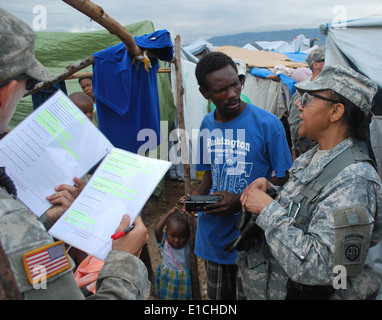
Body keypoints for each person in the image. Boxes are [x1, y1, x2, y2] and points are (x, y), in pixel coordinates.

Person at [0, 8, 150, 300]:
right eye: (27, 85)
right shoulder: (12, 223)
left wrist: (41, 222)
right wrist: (125, 261)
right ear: (6, 92)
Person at [239, 64, 382, 300]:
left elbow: (324, 268)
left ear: (335, 112)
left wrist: (267, 209)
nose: (298, 104)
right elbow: (305, 209)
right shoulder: (310, 157)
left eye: (307, 99)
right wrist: (272, 192)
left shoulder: (354, 180)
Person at [191, 52, 293, 300]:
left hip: (250, 239)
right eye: (221, 89)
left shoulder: (268, 124)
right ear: (205, 93)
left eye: (235, 84)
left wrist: (239, 199)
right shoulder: (207, 124)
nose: (232, 93)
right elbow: (208, 174)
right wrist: (195, 201)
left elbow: (285, 177)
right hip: (212, 236)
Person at [288, 47, 325, 157]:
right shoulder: (302, 93)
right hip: (312, 153)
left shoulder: (329, 90)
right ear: (316, 65)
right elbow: (296, 130)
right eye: (327, 60)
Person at [154, 207, 192, 300]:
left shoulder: (189, 243)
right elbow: (157, 229)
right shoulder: (165, 241)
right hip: (167, 276)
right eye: (173, 236)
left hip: (183, 279)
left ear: (187, 235)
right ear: (167, 232)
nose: (177, 240)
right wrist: (169, 214)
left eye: (182, 236)